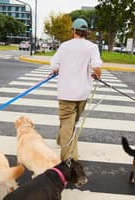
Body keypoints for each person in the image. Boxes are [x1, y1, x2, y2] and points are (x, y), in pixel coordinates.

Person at [50, 18, 102, 161]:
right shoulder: (92, 47)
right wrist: (97, 74)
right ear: (86, 32)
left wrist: (56, 70)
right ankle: (66, 150)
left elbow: (54, 64)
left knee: (68, 123)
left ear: (74, 31)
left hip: (66, 92)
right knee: (71, 122)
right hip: (82, 93)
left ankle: (68, 160)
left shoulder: (64, 46)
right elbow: (97, 67)